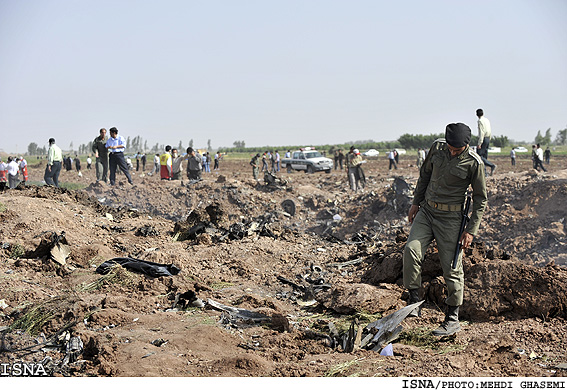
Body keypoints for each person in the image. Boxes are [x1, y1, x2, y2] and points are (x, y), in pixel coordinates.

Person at [403, 123, 487, 337]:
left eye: (456, 150)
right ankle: (414, 303)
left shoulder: (474, 163)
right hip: (427, 212)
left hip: (451, 219)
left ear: (466, 146)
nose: (451, 152)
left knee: (451, 267)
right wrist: (415, 202)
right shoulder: (437, 147)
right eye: (450, 147)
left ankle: (452, 318)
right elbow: (425, 175)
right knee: (411, 251)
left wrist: (471, 230)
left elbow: (480, 199)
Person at [476, 108, 497, 176]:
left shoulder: (480, 121)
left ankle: (491, 165)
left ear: (477, 114)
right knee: (484, 156)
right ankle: (485, 173)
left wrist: (480, 143)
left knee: (479, 156)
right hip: (488, 138)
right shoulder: (487, 120)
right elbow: (489, 130)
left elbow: (482, 132)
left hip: (483, 138)